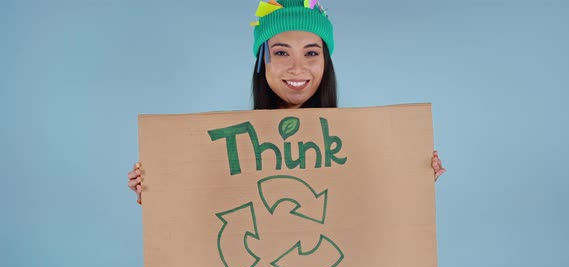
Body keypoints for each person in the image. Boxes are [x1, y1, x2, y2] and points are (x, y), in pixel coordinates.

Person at [127, 0, 446, 204]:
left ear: (325, 61)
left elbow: (376, 208)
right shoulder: (229, 148)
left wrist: (414, 176)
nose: (297, 68)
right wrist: (158, 191)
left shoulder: (355, 144)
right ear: (262, 61)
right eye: (281, 52)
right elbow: (203, 208)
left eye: (311, 52)